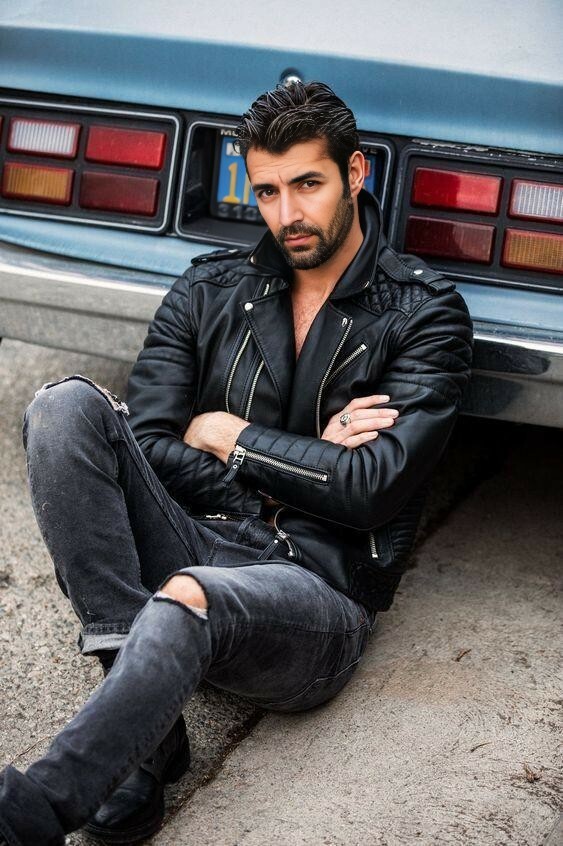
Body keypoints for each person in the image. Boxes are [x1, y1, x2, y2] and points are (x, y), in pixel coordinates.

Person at [0, 81, 473, 845]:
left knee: (186, 595)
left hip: (318, 590)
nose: (287, 214)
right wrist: (300, 465)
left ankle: (33, 812)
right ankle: (147, 742)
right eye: (267, 191)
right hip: (206, 537)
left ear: (355, 173)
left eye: (308, 185)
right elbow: (152, 442)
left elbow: (368, 491)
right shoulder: (209, 288)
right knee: (63, 408)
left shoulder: (422, 314)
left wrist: (228, 434)